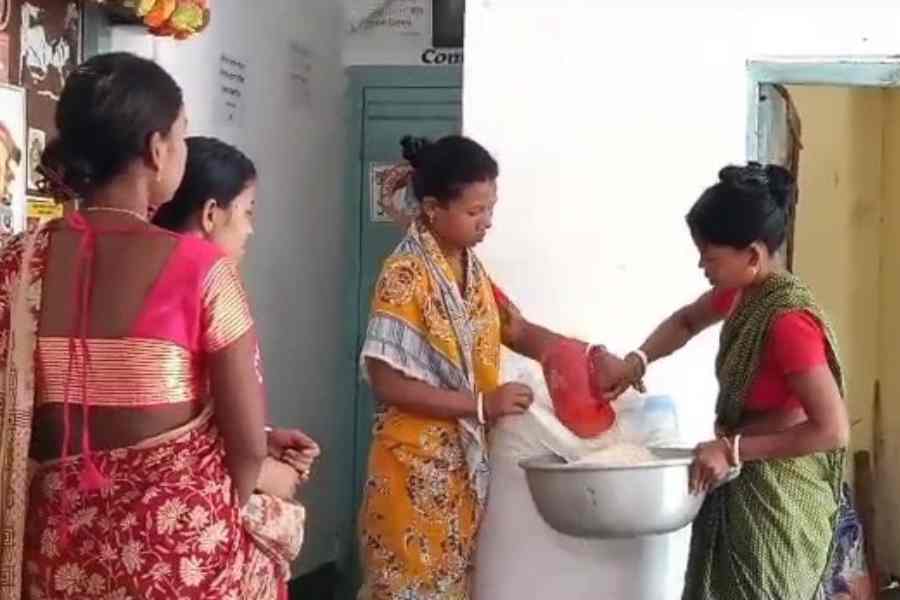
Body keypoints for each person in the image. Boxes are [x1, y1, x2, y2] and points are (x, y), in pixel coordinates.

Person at [0, 52, 302, 600]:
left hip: (56, 550)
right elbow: (247, 446)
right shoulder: (201, 269)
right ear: (156, 149)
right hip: (176, 559)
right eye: (182, 136)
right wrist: (195, 516)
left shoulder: (17, 262)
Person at [357, 134, 628, 599]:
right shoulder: (406, 276)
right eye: (475, 212)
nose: (488, 223)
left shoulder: (468, 268)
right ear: (433, 209)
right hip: (413, 469)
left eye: (491, 209)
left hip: (460, 472)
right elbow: (386, 381)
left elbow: (517, 331)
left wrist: (588, 357)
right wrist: (480, 404)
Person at [603, 163, 869, 599]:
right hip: (741, 479)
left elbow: (832, 429)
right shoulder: (743, 292)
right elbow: (688, 320)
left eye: (710, 257)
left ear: (751, 255)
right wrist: (636, 362)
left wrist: (734, 450)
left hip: (778, 495)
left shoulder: (788, 323)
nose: (702, 265)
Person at [152, 135, 321, 494]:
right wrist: (254, 480)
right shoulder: (208, 278)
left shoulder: (139, 271)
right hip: (188, 497)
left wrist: (266, 439)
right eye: (247, 212)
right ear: (211, 213)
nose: (250, 229)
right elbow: (241, 448)